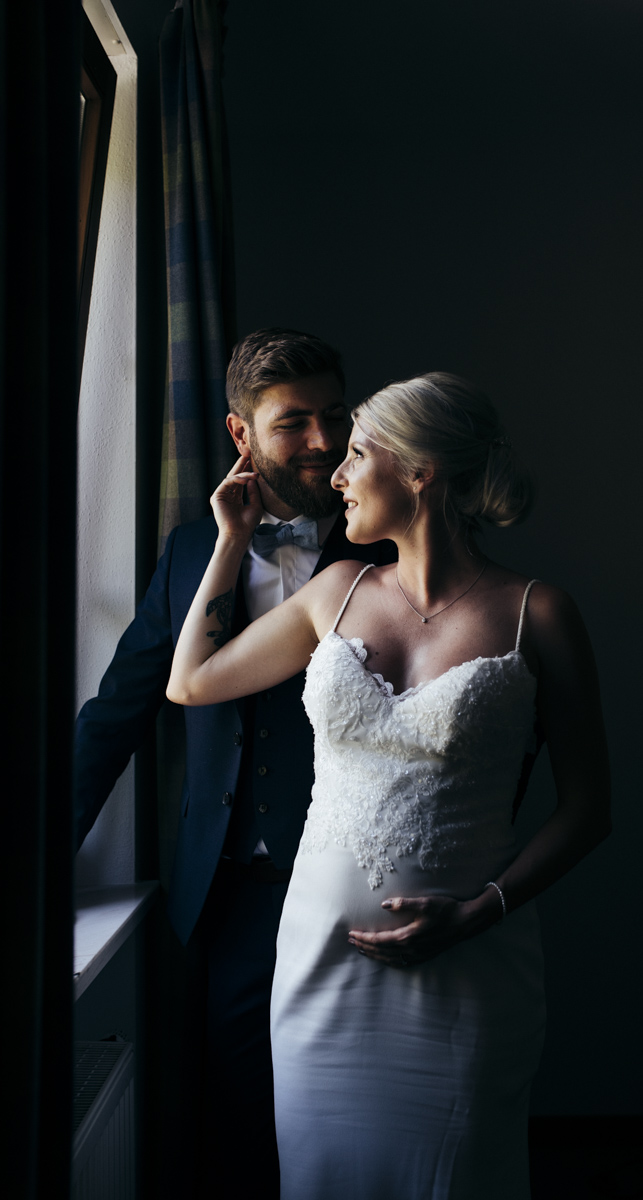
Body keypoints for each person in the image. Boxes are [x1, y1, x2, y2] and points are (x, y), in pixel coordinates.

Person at [167, 370, 611, 1200]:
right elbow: (188, 682)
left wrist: (481, 911)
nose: (335, 471)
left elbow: (590, 809)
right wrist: (229, 542)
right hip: (318, 966)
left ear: (418, 472)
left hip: (471, 968)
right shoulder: (333, 595)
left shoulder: (537, 614)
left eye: (357, 452)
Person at [73, 328, 396, 1197]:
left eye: (337, 417)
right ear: (239, 434)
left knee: (357, 1122)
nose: (325, 442)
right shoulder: (188, 553)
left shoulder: (395, 548)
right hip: (228, 898)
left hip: (361, 888)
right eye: (294, 423)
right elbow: (118, 712)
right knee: (239, 1129)